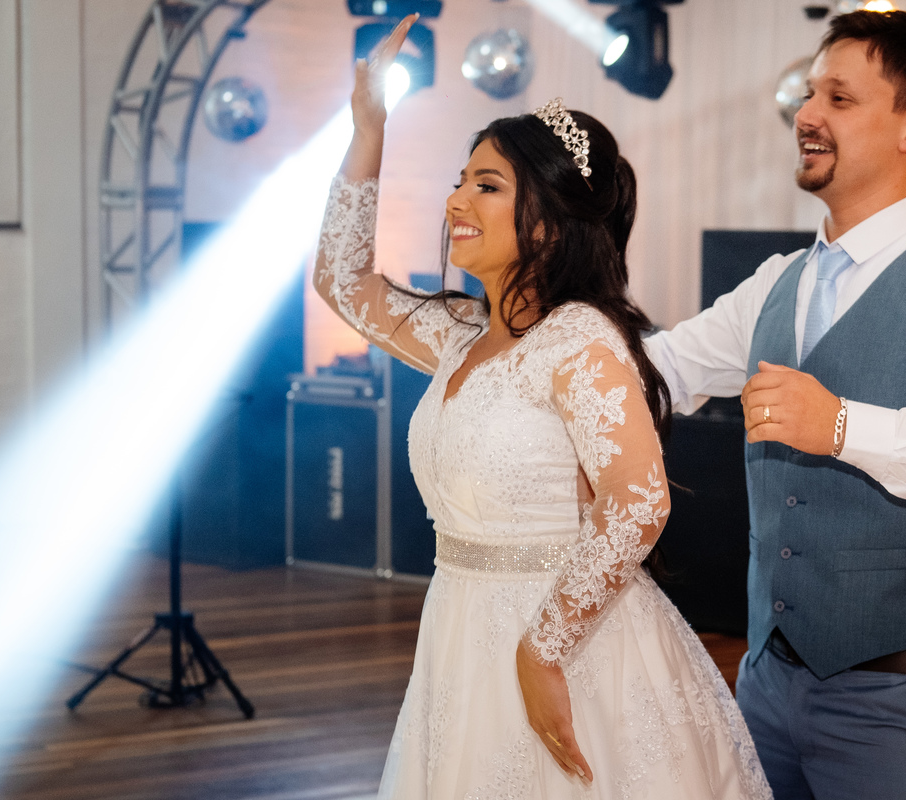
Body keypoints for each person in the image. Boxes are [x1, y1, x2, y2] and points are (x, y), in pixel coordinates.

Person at [311, 15, 770, 800]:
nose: (457, 199)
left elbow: (638, 501)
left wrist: (544, 649)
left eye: (486, 184)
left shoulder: (578, 338)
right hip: (459, 630)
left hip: (570, 645)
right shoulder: (459, 334)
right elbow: (342, 284)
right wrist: (367, 128)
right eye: (461, 180)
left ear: (550, 221)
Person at [645, 10, 906, 800]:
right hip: (764, 685)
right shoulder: (775, 282)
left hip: (902, 704)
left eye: (838, 97)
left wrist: (841, 426)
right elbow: (658, 370)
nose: (806, 115)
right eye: (809, 94)